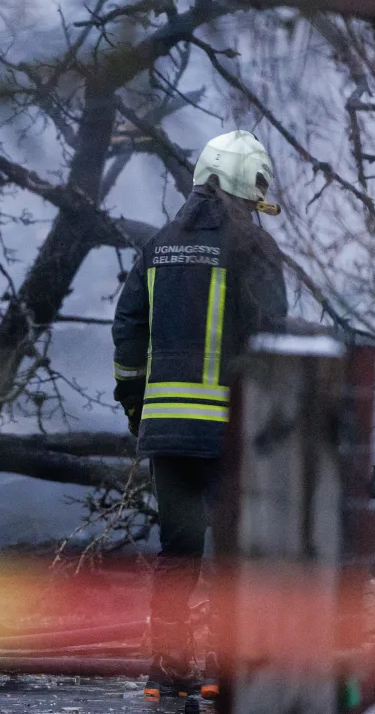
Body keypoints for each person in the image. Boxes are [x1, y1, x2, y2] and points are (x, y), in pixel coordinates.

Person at [112, 130, 288, 705]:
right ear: (247, 188)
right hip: (232, 433)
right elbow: (272, 341)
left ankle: (167, 672)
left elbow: (128, 331)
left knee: (178, 551)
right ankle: (227, 670)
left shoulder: (159, 244)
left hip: (167, 429)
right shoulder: (254, 250)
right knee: (237, 552)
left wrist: (137, 408)